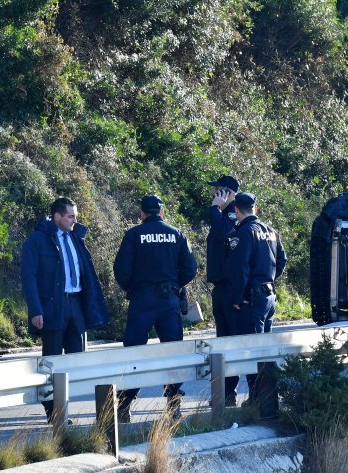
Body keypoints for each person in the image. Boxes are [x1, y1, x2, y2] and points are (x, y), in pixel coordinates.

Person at [22, 196, 109, 423]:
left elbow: (86, 273)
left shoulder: (76, 237)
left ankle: (65, 407)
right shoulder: (38, 240)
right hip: (52, 307)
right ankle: (54, 413)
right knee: (51, 362)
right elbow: (28, 277)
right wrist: (35, 310)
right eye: (70, 216)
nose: (74, 220)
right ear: (57, 216)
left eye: (75, 216)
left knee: (76, 361)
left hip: (75, 304)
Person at [113, 195, 197, 422]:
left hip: (142, 300)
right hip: (169, 300)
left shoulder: (133, 235)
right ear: (162, 212)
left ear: (141, 213)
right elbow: (190, 268)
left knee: (134, 353)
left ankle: (124, 404)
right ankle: (173, 404)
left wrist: (133, 288)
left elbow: (120, 269)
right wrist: (174, 285)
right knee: (172, 353)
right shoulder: (176, 234)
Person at [223, 192, 287, 402]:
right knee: (265, 350)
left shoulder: (244, 232)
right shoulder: (271, 231)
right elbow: (282, 261)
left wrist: (237, 296)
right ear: (255, 208)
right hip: (268, 296)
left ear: (236, 210)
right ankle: (265, 397)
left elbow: (239, 268)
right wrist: (269, 280)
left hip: (252, 299)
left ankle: (259, 399)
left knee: (252, 351)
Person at [205, 174, 241, 404]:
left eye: (216, 190)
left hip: (230, 288)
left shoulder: (232, 213)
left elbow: (222, 232)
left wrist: (215, 209)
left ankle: (230, 393)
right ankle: (225, 393)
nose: (212, 194)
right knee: (223, 340)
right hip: (221, 288)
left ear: (225, 192)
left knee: (232, 341)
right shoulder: (224, 214)